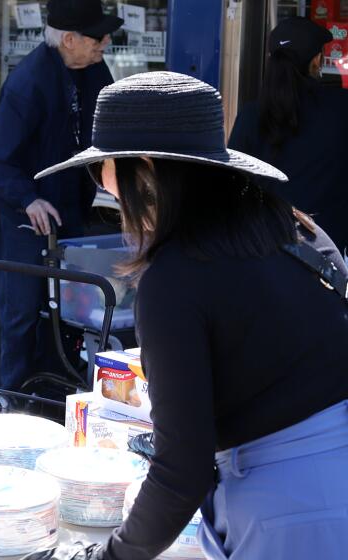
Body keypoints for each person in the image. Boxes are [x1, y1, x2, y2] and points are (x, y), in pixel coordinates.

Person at [28, 72, 348, 559]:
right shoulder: (292, 228)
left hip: (291, 510)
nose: (106, 190)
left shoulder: (174, 279)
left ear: (148, 169)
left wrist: (109, 556)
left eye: (106, 170)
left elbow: (182, 472)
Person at [0, 0, 123, 390]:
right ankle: (11, 400)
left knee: (69, 312)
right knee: (23, 313)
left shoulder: (94, 69)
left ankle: (55, 395)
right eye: (98, 36)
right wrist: (29, 199)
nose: (106, 42)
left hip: (70, 209)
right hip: (25, 217)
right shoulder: (27, 83)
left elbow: (110, 126)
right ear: (70, 39)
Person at [229, 16, 348, 259]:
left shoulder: (251, 115)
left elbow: (232, 186)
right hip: (327, 255)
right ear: (316, 61)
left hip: (263, 251)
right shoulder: (341, 109)